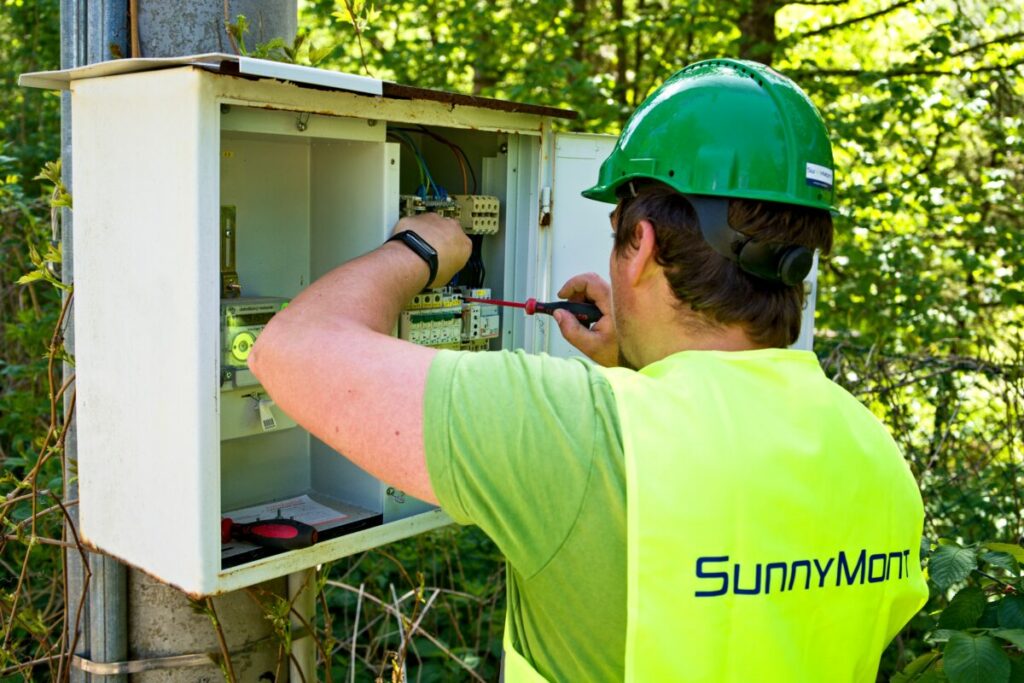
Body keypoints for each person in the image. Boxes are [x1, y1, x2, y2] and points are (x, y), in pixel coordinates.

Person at [249, 58, 928, 681]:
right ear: (800, 260)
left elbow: (290, 350)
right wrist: (631, 357)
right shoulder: (876, 456)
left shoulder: (575, 434)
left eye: (615, 237)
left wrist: (417, 250)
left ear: (642, 247)